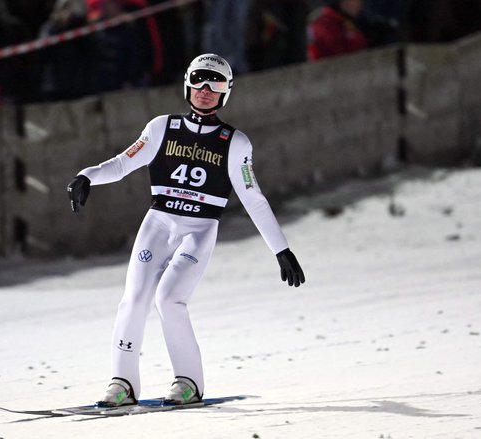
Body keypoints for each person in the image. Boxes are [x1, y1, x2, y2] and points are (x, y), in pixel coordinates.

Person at [67, 53, 305, 406]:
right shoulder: (161, 127)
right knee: (134, 298)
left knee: (169, 298)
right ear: (187, 84)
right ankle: (122, 382)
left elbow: (254, 199)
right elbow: (122, 163)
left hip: (199, 229)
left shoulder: (235, 143)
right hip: (159, 222)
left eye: (216, 83)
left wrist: (281, 249)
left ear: (227, 91)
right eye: (199, 80)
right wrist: (87, 175)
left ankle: (189, 381)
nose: (205, 90)